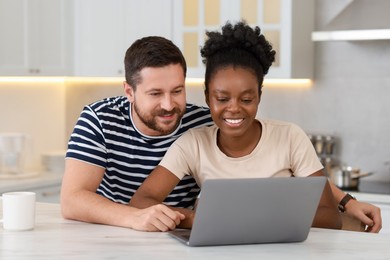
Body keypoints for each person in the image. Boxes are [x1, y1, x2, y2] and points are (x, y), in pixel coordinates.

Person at [61, 34, 381, 232]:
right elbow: (75, 201)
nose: (170, 105)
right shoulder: (101, 119)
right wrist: (137, 218)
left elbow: (309, 184)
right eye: (155, 93)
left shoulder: (202, 119)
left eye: (177, 91)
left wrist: (346, 201)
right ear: (129, 91)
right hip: (125, 234)